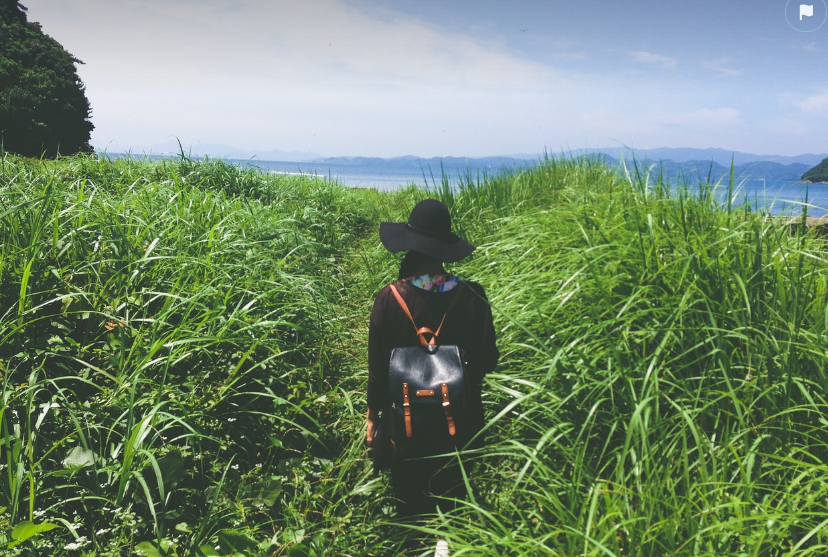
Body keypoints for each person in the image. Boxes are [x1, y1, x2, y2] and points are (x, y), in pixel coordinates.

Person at [366, 198, 499, 522]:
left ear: (410, 246)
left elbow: (378, 372)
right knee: (454, 508)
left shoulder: (389, 298)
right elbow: (488, 361)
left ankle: (413, 535)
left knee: (409, 508)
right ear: (444, 248)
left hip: (406, 428)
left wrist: (372, 417)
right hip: (461, 424)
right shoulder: (473, 296)